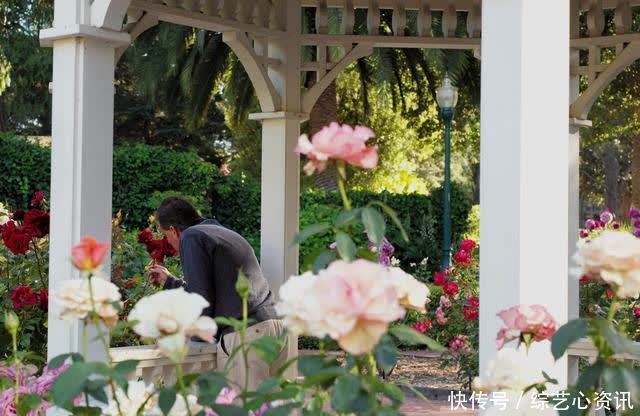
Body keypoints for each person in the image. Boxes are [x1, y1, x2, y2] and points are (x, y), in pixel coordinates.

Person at [147, 196, 297, 390]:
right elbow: (209, 291)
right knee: (279, 408)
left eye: (165, 235)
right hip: (278, 327)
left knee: (243, 410)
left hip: (248, 335)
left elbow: (201, 300)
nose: (168, 241)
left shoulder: (191, 237)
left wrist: (198, 340)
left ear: (172, 230)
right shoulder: (219, 232)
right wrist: (170, 281)